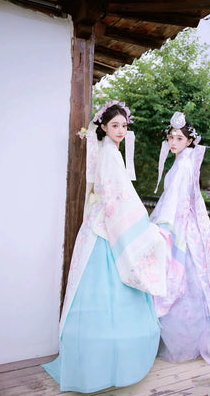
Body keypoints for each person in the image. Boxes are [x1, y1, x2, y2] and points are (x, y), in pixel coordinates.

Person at [43, 101, 167, 393]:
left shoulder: (107, 150)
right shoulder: (109, 154)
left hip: (97, 225)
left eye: (124, 126)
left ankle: (97, 361)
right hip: (105, 227)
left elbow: (114, 192)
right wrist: (142, 224)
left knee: (96, 296)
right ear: (103, 127)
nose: (121, 130)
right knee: (111, 293)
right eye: (115, 126)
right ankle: (110, 362)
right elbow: (116, 195)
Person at [151, 111, 210, 364]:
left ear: (189, 141)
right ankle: (195, 335)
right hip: (185, 223)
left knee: (185, 281)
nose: (173, 142)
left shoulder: (184, 163)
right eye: (171, 137)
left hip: (181, 226)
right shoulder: (183, 161)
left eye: (179, 138)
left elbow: (176, 200)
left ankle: (186, 340)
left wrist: (161, 225)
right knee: (193, 282)